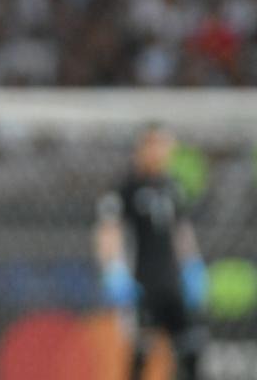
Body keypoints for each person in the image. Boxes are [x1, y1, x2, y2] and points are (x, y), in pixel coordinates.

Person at [95, 124, 209, 380]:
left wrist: (193, 266)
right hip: (141, 285)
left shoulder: (173, 187)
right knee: (141, 355)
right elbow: (108, 231)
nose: (159, 152)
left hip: (174, 283)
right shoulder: (125, 188)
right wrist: (113, 269)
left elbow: (181, 231)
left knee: (192, 350)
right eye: (154, 145)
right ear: (141, 148)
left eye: (165, 145)